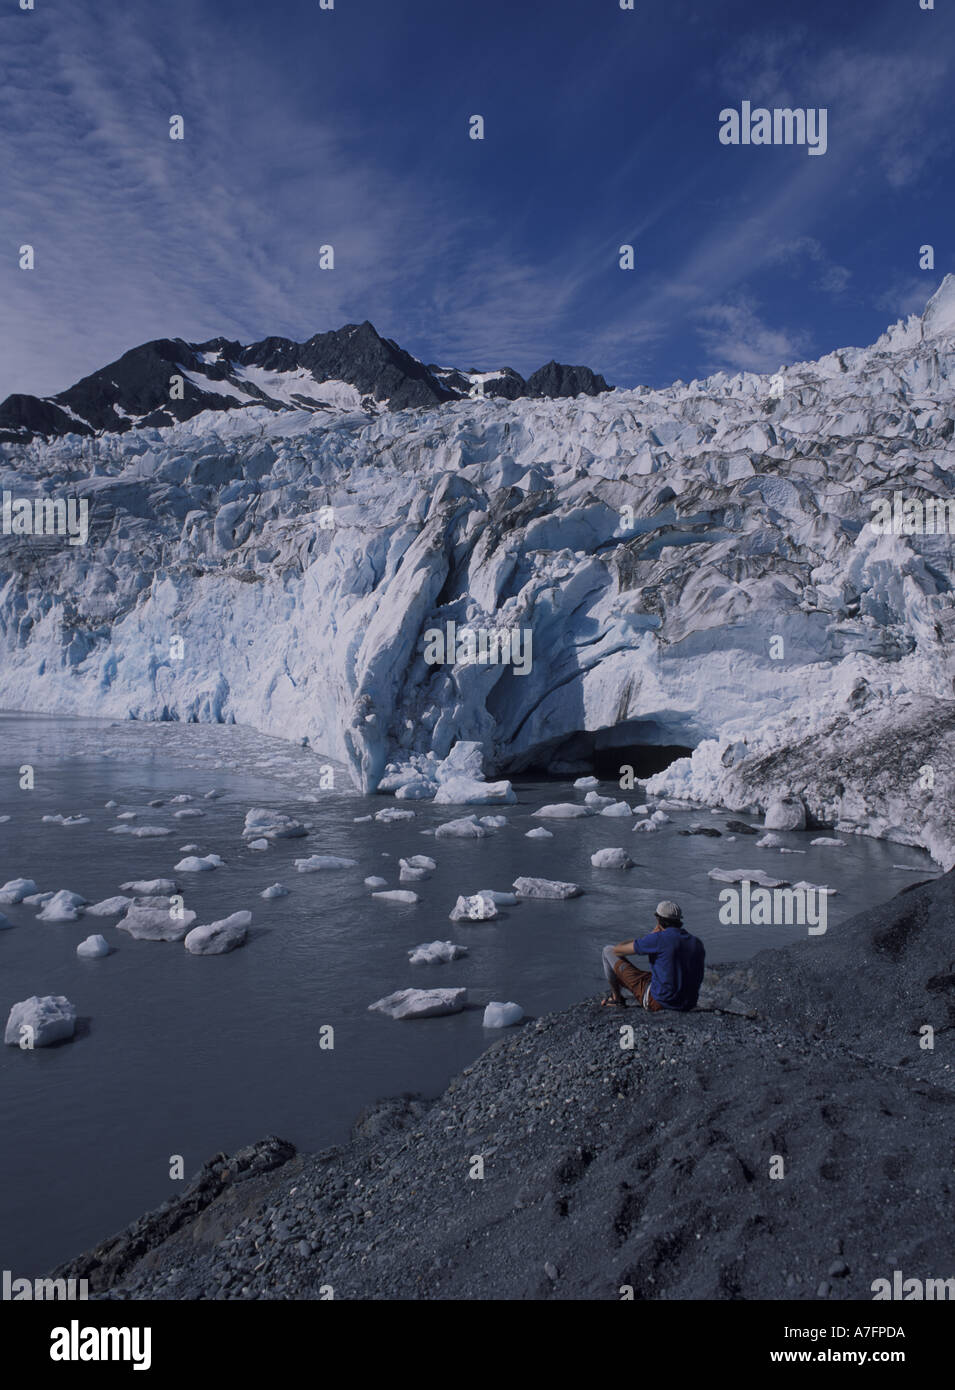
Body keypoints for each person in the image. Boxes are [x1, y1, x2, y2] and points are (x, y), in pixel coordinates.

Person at [601, 900, 705, 1012]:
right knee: (653, 974)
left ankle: (616, 999)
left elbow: (618, 950)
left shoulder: (658, 938)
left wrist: (651, 934)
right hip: (689, 1003)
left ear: (658, 919)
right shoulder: (697, 942)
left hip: (659, 1002)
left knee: (607, 951)